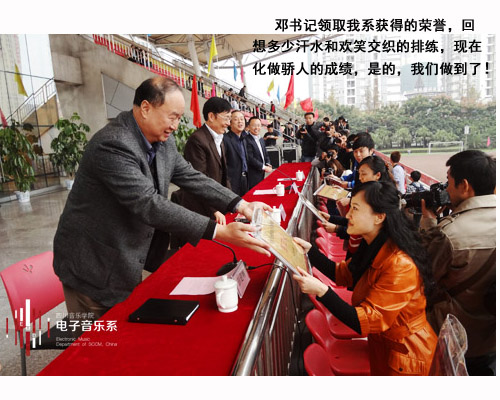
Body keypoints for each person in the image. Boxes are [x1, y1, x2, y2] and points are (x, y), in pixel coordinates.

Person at [53, 77, 271, 321]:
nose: (176, 126)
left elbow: (191, 176)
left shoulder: (161, 140)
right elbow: (148, 204)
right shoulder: (113, 144)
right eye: (172, 117)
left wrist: (241, 204)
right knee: (100, 338)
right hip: (95, 263)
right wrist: (218, 232)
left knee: (126, 326)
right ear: (146, 108)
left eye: (179, 118)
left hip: (127, 257)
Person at [293, 181, 437, 375]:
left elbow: (367, 320)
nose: (348, 215)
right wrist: (310, 252)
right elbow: (345, 274)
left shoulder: (400, 264)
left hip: (408, 354)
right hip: (384, 345)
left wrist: (321, 291)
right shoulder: (373, 243)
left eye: (355, 209)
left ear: (379, 217)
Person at [420, 150, 496, 375]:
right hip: (490, 340)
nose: (447, 190)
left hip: (452, 338)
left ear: (464, 186)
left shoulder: (449, 233)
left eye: (449, 182)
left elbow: (423, 276)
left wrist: (429, 224)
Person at [174, 97, 232, 225]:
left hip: (218, 204)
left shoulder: (219, 138)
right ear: (211, 116)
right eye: (226, 118)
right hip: (202, 210)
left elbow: (224, 176)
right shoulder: (197, 140)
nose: (229, 123)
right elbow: (198, 180)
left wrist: (233, 202)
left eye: (230, 118)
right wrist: (214, 210)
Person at [223, 110, 249, 196]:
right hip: (232, 182)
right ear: (230, 123)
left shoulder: (243, 139)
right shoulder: (225, 139)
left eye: (242, 119)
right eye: (236, 119)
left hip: (244, 179)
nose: (240, 121)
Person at [245, 116, 272, 189]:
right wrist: (264, 167)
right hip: (252, 174)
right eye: (254, 125)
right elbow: (250, 158)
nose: (256, 128)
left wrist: (268, 163)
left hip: (261, 172)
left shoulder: (261, 139)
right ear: (248, 126)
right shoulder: (246, 140)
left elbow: (265, 154)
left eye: (258, 125)